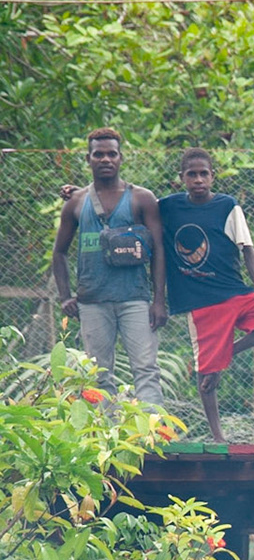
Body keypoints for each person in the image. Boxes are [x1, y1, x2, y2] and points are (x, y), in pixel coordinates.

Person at [157, 148, 254, 440]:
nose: (199, 179)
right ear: (182, 178)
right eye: (192, 174)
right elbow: (132, 204)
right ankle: (218, 436)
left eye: (204, 173)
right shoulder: (167, 207)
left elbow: (248, 247)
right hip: (199, 302)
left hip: (233, 293)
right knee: (206, 375)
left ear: (213, 176)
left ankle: (229, 351)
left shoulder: (227, 206)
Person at [53, 128, 167, 406]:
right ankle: (107, 440)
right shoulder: (76, 203)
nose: (106, 159)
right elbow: (59, 252)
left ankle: (154, 436)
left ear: (121, 158)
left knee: (146, 370)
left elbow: (159, 250)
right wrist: (65, 295)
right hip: (92, 302)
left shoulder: (141, 198)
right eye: (98, 154)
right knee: (98, 375)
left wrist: (159, 301)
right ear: (88, 159)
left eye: (111, 154)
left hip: (135, 299)